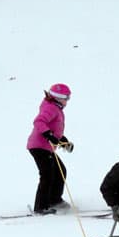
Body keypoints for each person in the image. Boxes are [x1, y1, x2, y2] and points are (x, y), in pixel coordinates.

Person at [26, 84, 74, 214]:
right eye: (66, 98)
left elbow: (55, 130)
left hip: (46, 147)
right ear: (58, 98)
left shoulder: (56, 109)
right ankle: (41, 207)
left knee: (60, 171)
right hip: (39, 146)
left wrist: (64, 142)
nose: (67, 100)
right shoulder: (51, 108)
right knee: (47, 174)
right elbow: (38, 122)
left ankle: (54, 200)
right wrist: (49, 135)